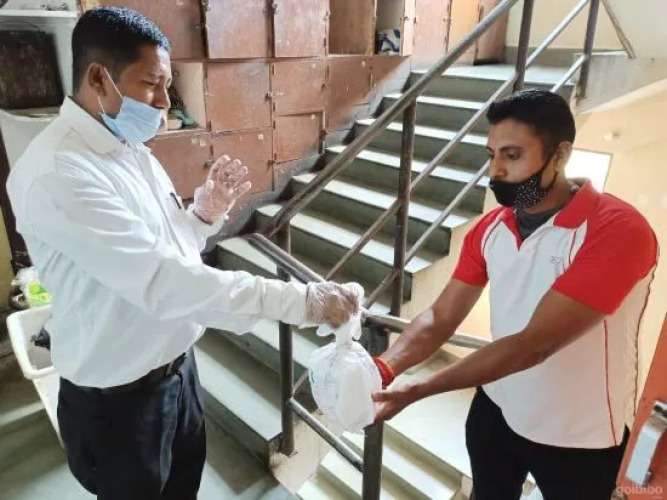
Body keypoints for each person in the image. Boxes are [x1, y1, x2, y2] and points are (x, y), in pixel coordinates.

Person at [6, 7, 361, 499]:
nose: (164, 101)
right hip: (117, 403)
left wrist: (203, 217)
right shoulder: (58, 173)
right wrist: (304, 301)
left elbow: (169, 251)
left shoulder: (130, 149)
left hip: (177, 373)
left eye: (167, 85)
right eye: (152, 84)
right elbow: (164, 283)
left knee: (183, 488)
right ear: (99, 78)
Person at [371, 89, 658, 500]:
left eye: (512, 155)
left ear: (560, 155)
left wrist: (418, 389)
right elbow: (441, 316)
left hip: (579, 434)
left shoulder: (617, 230)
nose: (496, 171)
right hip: (497, 405)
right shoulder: (491, 227)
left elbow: (534, 345)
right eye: (492, 155)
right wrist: (385, 368)